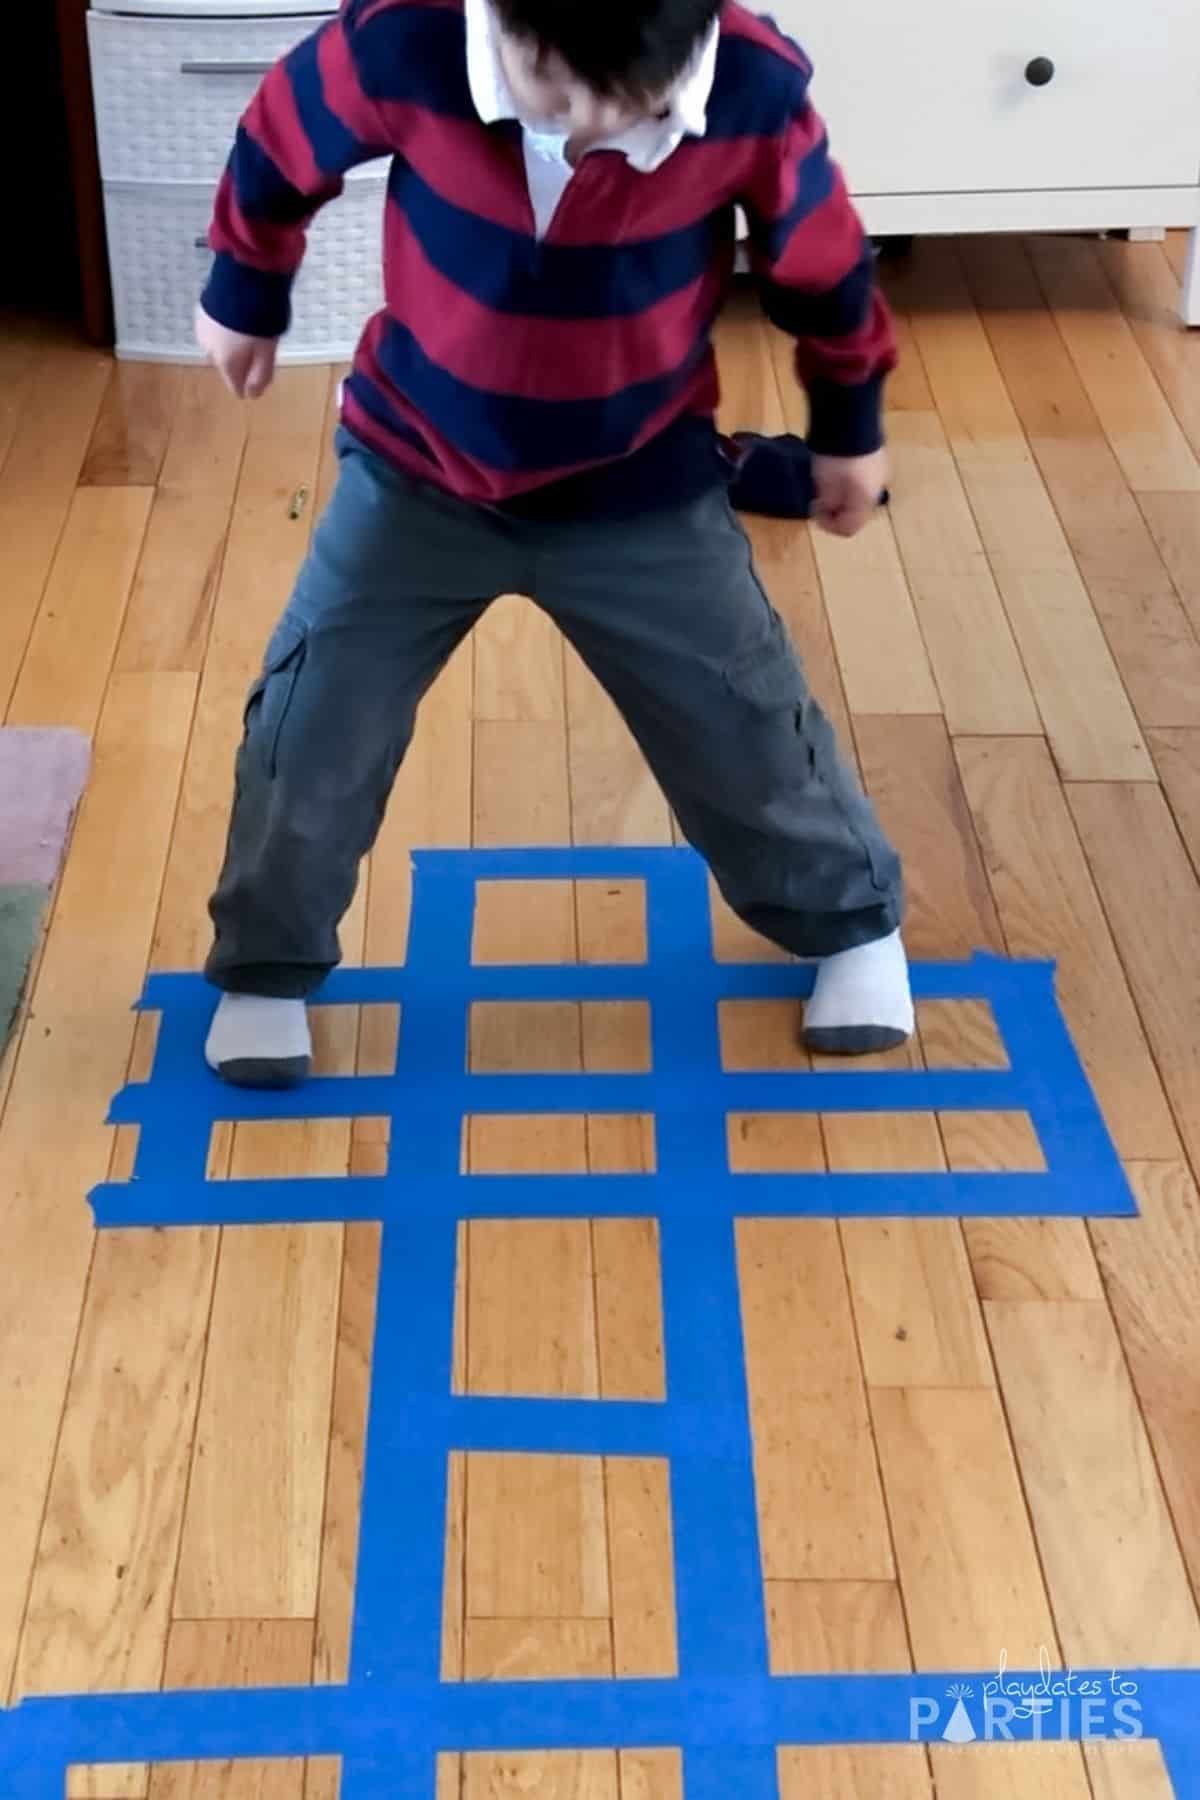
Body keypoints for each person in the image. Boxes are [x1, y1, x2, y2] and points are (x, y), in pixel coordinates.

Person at [196, 0, 911, 1089]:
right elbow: (281, 139)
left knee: (744, 717)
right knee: (313, 722)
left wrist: (850, 428)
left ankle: (852, 923)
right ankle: (265, 963)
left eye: (625, 107)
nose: (582, 127)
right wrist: (245, 289)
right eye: (552, 93)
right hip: (418, 470)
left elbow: (823, 265)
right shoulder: (408, 38)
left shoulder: (752, 88)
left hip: (641, 482)